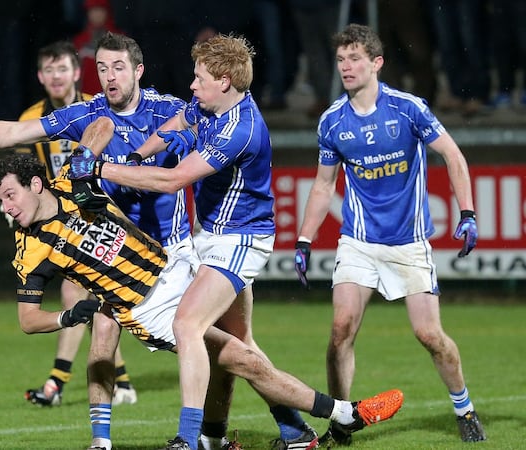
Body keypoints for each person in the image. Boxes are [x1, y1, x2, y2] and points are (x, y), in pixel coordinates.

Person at [0, 31, 319, 450]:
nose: (109, 77)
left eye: (118, 67)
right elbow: (14, 132)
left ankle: (280, 427)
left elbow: (190, 159)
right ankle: (102, 441)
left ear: (138, 71)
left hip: (174, 252)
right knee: (104, 331)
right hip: (116, 254)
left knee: (230, 347)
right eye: (102, 68)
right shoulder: (89, 115)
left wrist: (112, 166)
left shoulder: (170, 110)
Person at [65, 32, 390, 450]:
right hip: (209, 236)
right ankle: (299, 429)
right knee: (236, 346)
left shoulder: (240, 128)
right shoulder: (208, 104)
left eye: (199, 78)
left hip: (239, 241)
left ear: (224, 81)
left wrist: (99, 169)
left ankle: (188, 439)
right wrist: (136, 157)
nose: (192, 85)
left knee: (187, 325)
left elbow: (174, 180)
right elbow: (176, 124)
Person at [0, 137, 403, 450]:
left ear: (37, 184)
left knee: (244, 350)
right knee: (242, 359)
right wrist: (67, 317)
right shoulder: (29, 249)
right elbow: (27, 320)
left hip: (176, 270)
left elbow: (101, 125)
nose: (7, 208)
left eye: (10, 196)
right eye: (0, 202)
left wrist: (86, 157)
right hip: (148, 309)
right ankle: (339, 414)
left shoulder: (70, 183)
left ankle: (264, 433)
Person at [291, 23, 486, 444]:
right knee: (340, 330)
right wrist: (305, 239)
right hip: (358, 242)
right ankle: (341, 420)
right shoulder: (332, 121)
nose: (346, 66)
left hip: (409, 242)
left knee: (429, 336)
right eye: (340, 59)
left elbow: (453, 155)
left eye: (355, 58)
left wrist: (468, 213)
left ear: (376, 63)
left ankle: (464, 408)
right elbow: (324, 186)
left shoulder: (408, 108)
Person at [15, 40, 137, 408]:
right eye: (49, 70)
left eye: (62, 69)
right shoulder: (32, 119)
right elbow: (23, 174)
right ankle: (118, 381)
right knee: (92, 296)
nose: (56, 76)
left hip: (100, 216)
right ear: (40, 76)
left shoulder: (97, 110)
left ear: (76, 73)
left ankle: (58, 383)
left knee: (81, 295)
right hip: (59, 223)